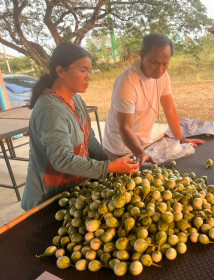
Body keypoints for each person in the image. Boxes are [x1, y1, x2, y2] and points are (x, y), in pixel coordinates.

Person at [21, 43, 139, 211]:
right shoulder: (51, 109)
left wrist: (110, 163)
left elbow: (88, 139)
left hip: (72, 190)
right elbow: (61, 160)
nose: (88, 77)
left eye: (89, 71)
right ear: (60, 71)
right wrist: (109, 167)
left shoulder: (76, 100)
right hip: (48, 199)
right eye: (82, 70)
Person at [102, 33, 204, 165]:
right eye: (155, 63)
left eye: (165, 64)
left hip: (143, 144)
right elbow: (125, 128)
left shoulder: (163, 75)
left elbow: (170, 110)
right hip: (120, 148)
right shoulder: (127, 83)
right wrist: (140, 153)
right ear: (142, 55)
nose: (160, 70)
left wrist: (181, 139)